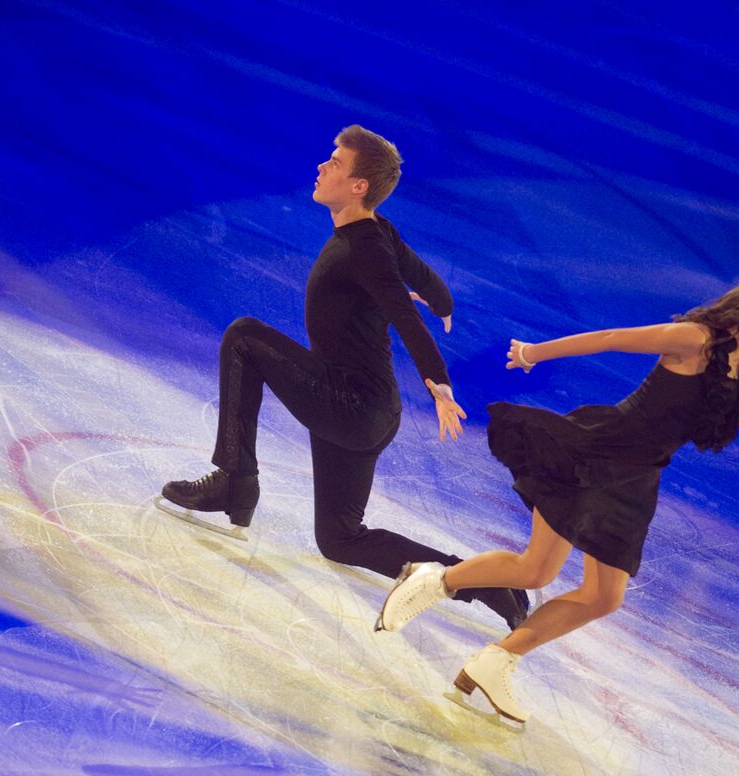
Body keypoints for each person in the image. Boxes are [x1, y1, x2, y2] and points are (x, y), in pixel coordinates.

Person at [375, 266, 739, 723]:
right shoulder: (694, 338)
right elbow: (610, 338)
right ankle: (433, 579)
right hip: (598, 453)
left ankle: (496, 661)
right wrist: (532, 352)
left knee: (605, 596)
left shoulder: (737, 359)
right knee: (535, 570)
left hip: (638, 477)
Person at [160, 125, 529, 629]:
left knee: (244, 337)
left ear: (358, 185)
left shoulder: (368, 247)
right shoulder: (379, 231)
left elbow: (404, 314)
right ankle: (485, 583)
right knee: (340, 539)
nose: (321, 167)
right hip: (366, 412)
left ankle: (234, 482)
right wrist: (443, 303)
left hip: (349, 406)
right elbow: (428, 284)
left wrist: (439, 384)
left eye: (334, 162)